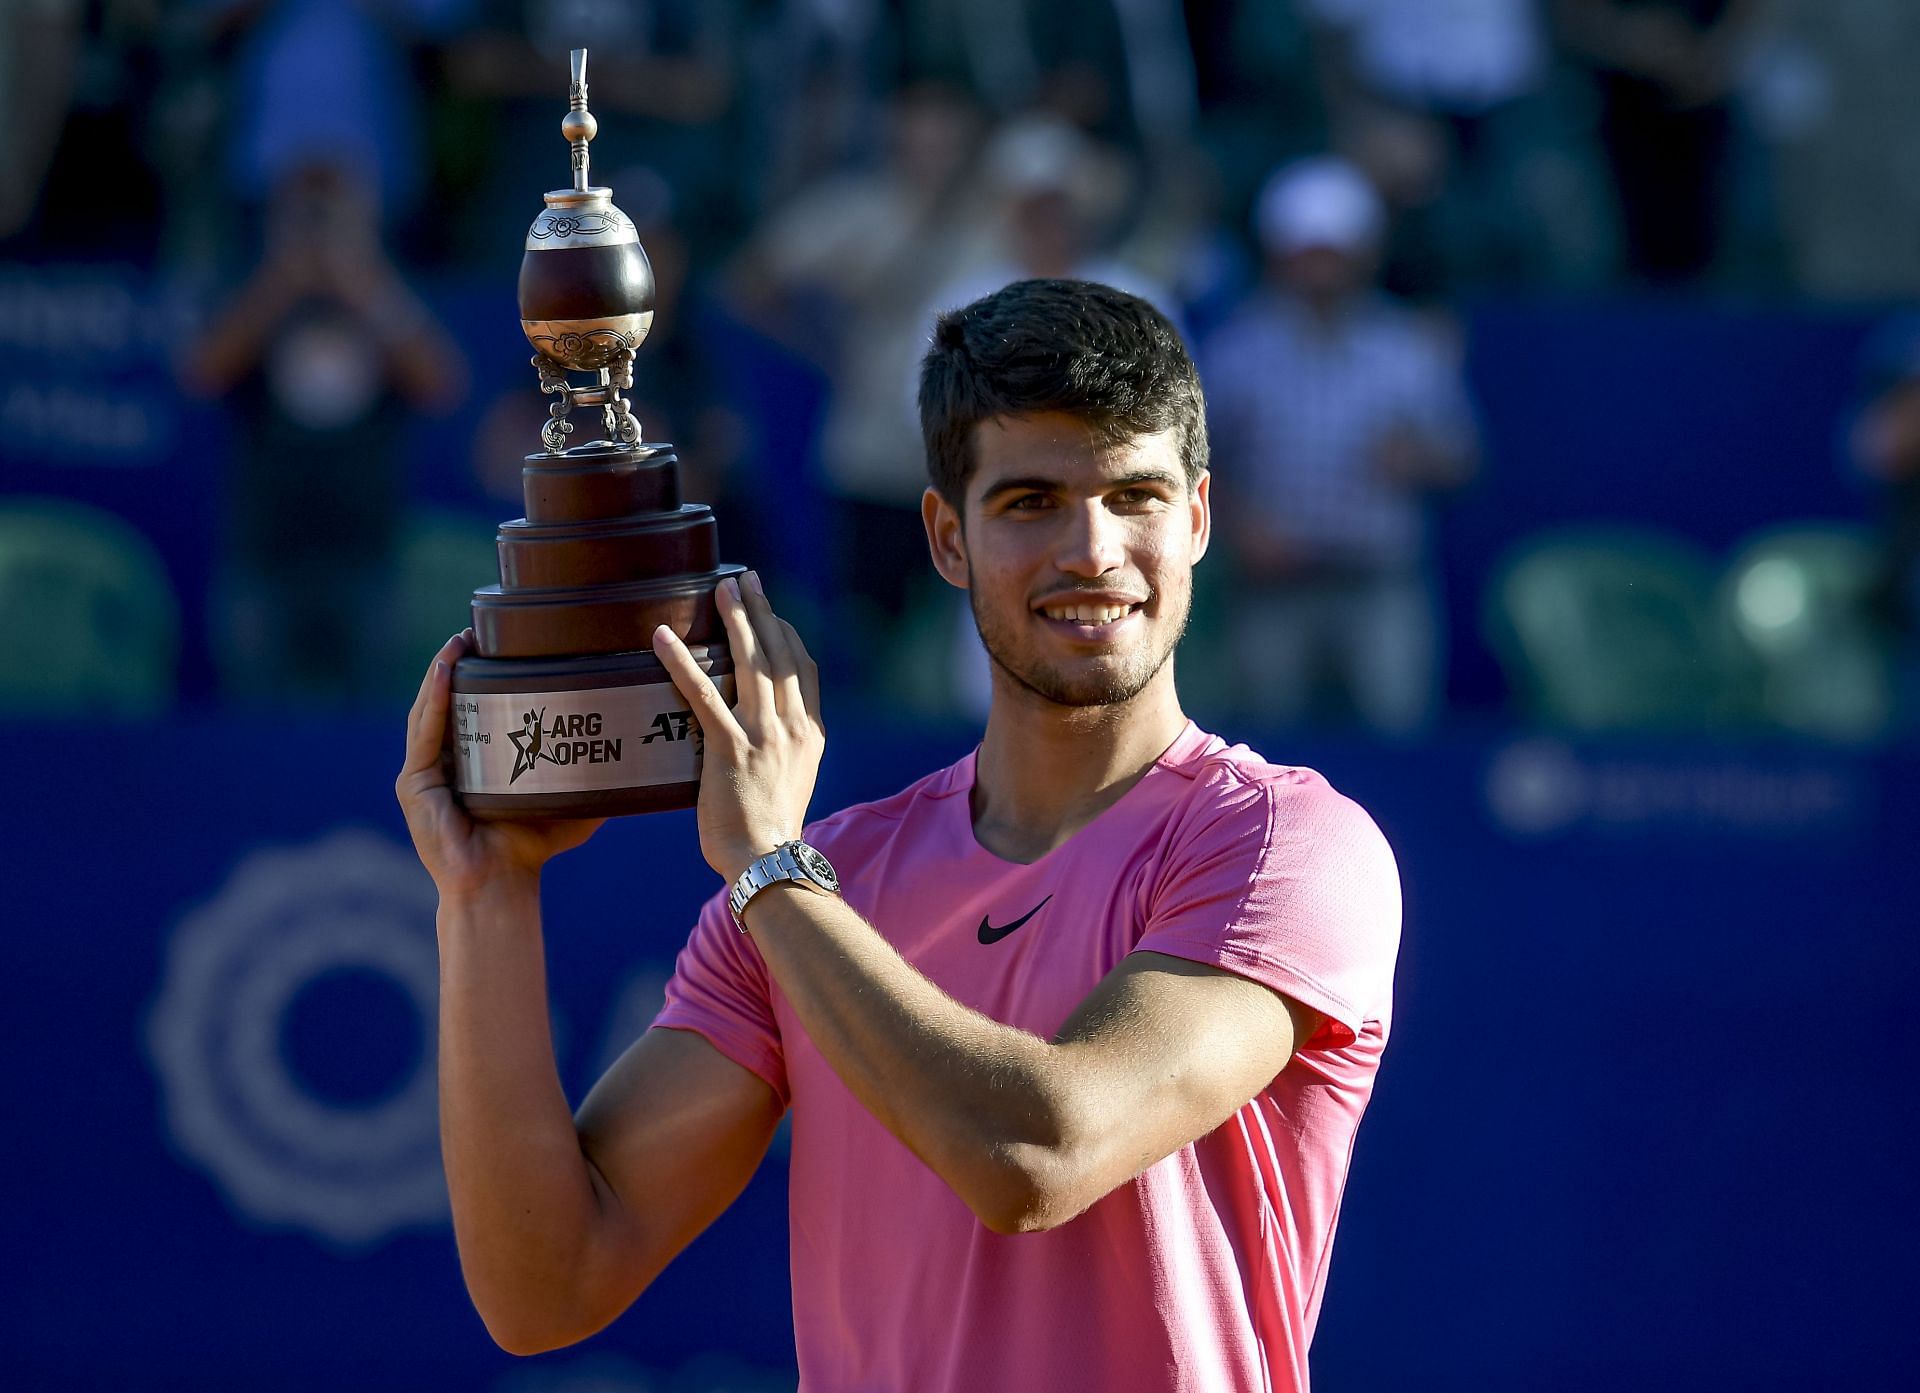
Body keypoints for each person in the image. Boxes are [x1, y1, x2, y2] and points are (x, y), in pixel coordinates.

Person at [396, 279, 1402, 1390]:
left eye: (1135, 496)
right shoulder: (822, 883)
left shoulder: (1289, 843)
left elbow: (1037, 1154)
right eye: (1030, 501)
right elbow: (548, 1283)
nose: (1093, 549)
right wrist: (485, 898)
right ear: (946, 536)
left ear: (1199, 517)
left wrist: (773, 869)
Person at [1204, 156, 1477, 734]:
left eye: (1335, 252)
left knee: (1398, 745)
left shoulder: (1406, 347)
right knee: (1266, 756)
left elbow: (1462, 456)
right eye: (1308, 252)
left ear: (1364, 255)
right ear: (1280, 254)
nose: (1321, 268)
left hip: (1379, 582)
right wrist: (1240, 523)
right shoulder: (1238, 351)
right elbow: (1193, 462)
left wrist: (1420, 458)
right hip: (1272, 589)